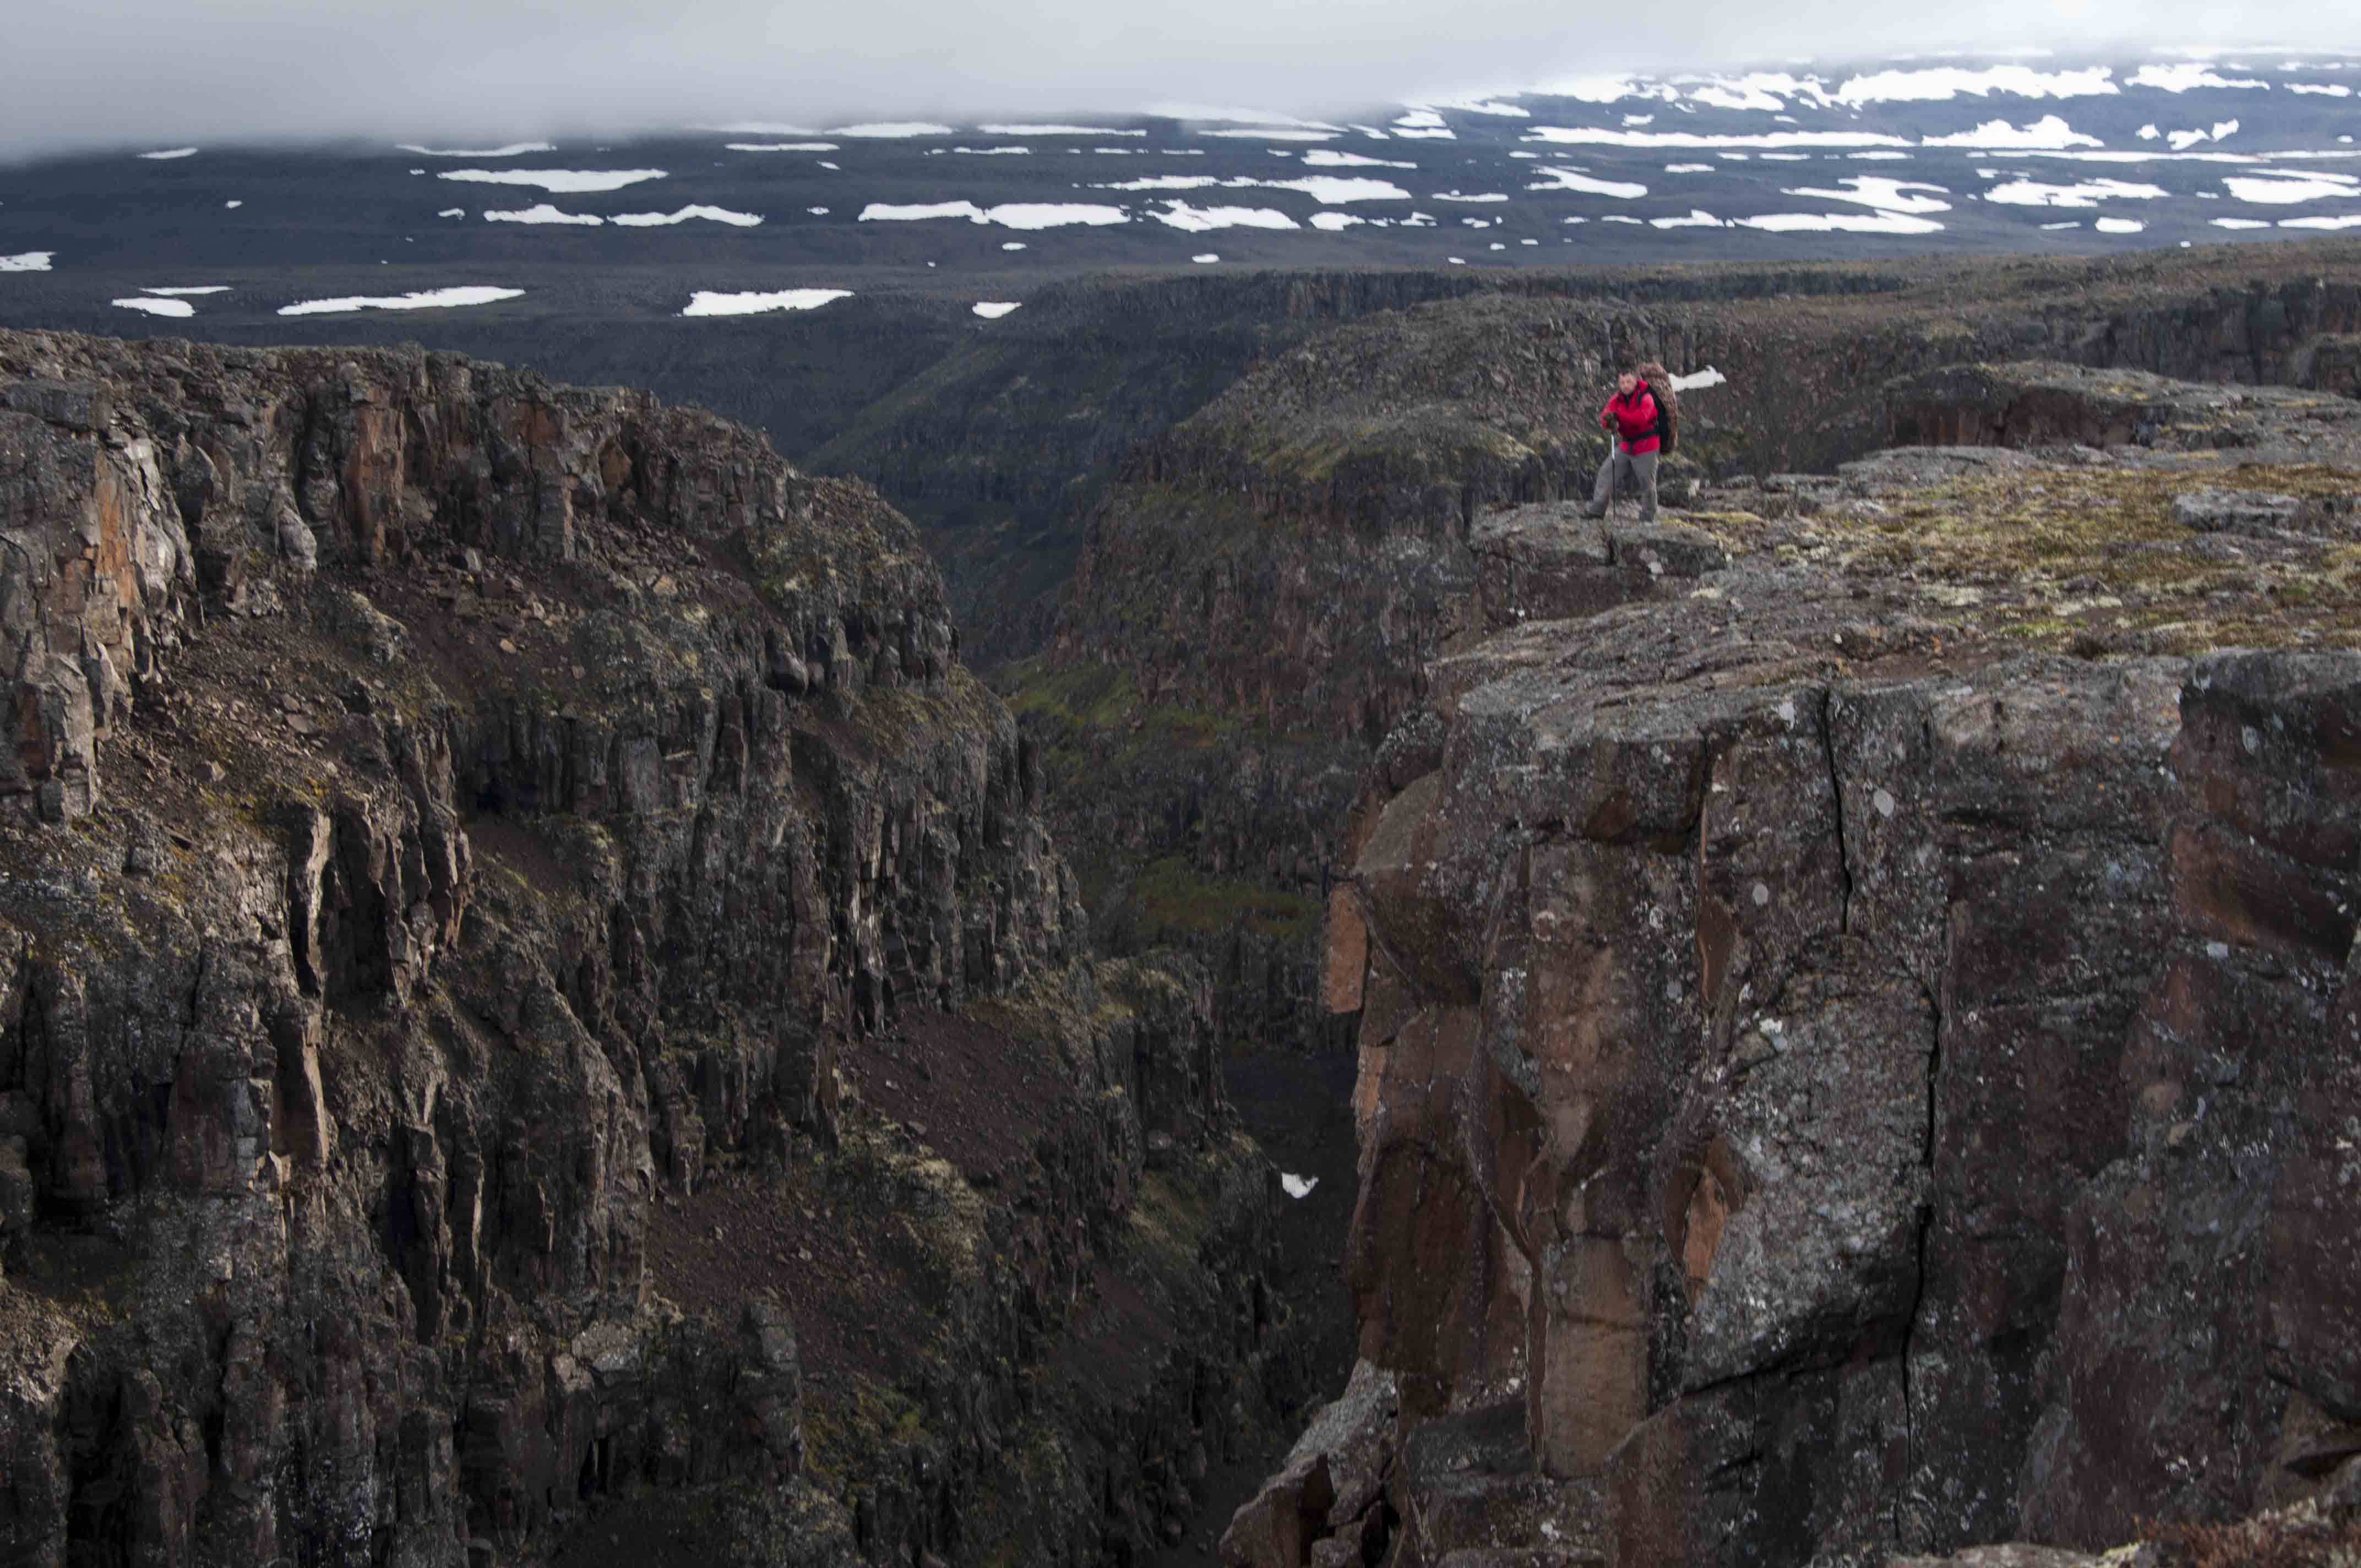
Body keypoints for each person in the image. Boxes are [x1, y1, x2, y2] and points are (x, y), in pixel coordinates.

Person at [1581, 370, 1660, 521]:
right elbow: (1605, 417)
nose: (1625, 386)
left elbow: (1641, 419)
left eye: (1629, 382)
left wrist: (1618, 416)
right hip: (1626, 446)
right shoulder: (1616, 399)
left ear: (1636, 382)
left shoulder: (1647, 397)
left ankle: (1648, 516)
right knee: (1606, 473)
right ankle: (1597, 510)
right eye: (1622, 382)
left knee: (1647, 483)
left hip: (1647, 447)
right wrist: (1609, 421)